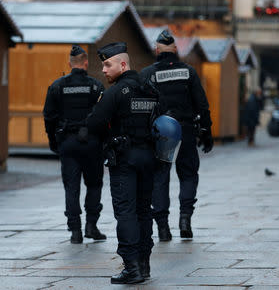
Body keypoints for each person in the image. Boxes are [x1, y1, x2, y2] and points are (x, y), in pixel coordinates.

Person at [87, 42, 157, 284]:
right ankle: (145, 265)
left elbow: (94, 124)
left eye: (107, 64)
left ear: (123, 64)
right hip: (149, 157)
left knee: (126, 212)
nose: (104, 70)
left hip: (124, 159)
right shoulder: (149, 89)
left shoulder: (115, 93)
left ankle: (131, 268)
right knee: (144, 211)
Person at [139, 30, 213, 242]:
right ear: (176, 50)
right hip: (186, 129)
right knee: (188, 174)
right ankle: (185, 219)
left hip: (160, 133)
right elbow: (202, 104)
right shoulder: (188, 72)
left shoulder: (147, 74)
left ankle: (162, 227)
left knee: (160, 178)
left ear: (156, 51)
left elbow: (143, 107)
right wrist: (207, 132)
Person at [43, 45, 106, 244]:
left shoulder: (57, 86)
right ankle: (91, 226)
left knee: (71, 187)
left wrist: (54, 142)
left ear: (70, 64)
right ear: (86, 63)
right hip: (92, 143)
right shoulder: (96, 86)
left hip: (68, 143)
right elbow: (104, 116)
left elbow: (49, 117)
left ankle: (75, 231)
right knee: (94, 184)